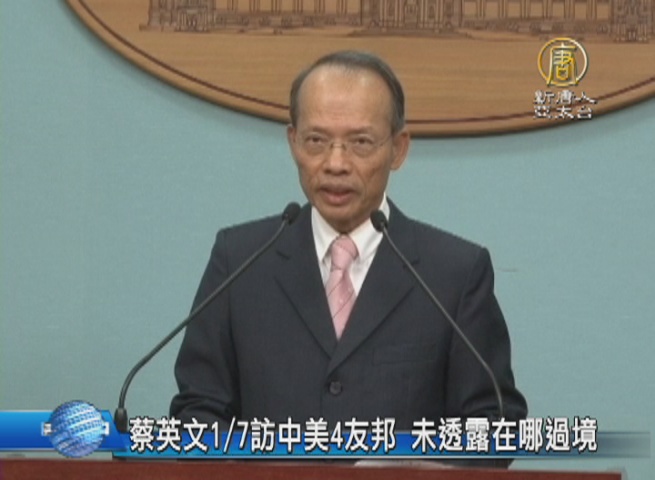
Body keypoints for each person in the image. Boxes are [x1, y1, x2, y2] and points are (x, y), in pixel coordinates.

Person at [170, 51, 527, 444]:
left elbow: (494, 423)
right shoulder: (239, 261)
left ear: (399, 148)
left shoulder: (454, 274)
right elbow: (198, 411)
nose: (335, 163)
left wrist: (416, 465)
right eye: (316, 141)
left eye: (360, 142)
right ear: (293, 142)